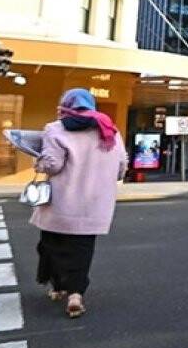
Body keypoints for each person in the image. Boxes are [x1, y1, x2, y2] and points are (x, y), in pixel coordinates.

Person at [32, 88, 128, 317]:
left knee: (52, 244)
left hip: (62, 201)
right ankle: (76, 294)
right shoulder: (110, 130)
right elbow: (121, 167)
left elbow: (53, 165)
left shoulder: (56, 128)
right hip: (94, 204)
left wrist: (38, 162)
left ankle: (58, 287)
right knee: (82, 250)